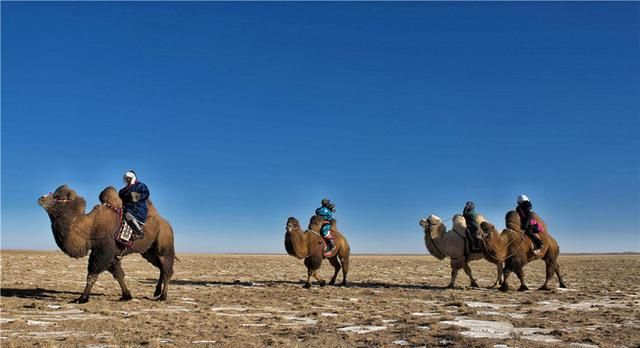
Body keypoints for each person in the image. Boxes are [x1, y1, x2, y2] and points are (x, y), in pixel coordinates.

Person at [119, 170, 150, 241]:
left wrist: (134, 196)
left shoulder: (140, 186)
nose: (127, 179)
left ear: (133, 177)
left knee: (127, 215)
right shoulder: (123, 191)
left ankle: (139, 232)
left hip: (137, 208)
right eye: (126, 178)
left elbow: (146, 194)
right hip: (126, 208)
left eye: (129, 178)